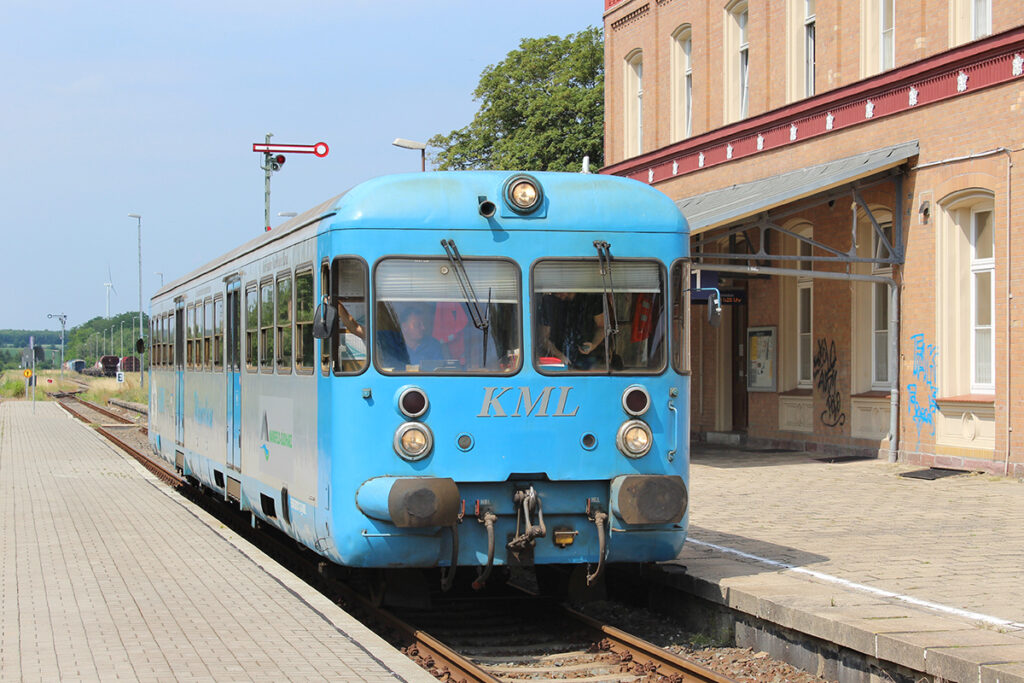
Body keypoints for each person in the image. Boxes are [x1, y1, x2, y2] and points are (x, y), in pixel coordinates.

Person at [537, 292, 607, 369]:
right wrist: (559, 355)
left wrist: (593, 344)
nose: (556, 293)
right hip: (558, 363)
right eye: (554, 292)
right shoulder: (549, 303)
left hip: (589, 362)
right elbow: (544, 338)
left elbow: (602, 327)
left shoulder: (592, 298)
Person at [377, 305, 445, 370]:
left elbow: (439, 370)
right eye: (417, 325)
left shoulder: (433, 345)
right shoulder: (392, 346)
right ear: (404, 327)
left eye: (423, 324)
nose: (423, 328)